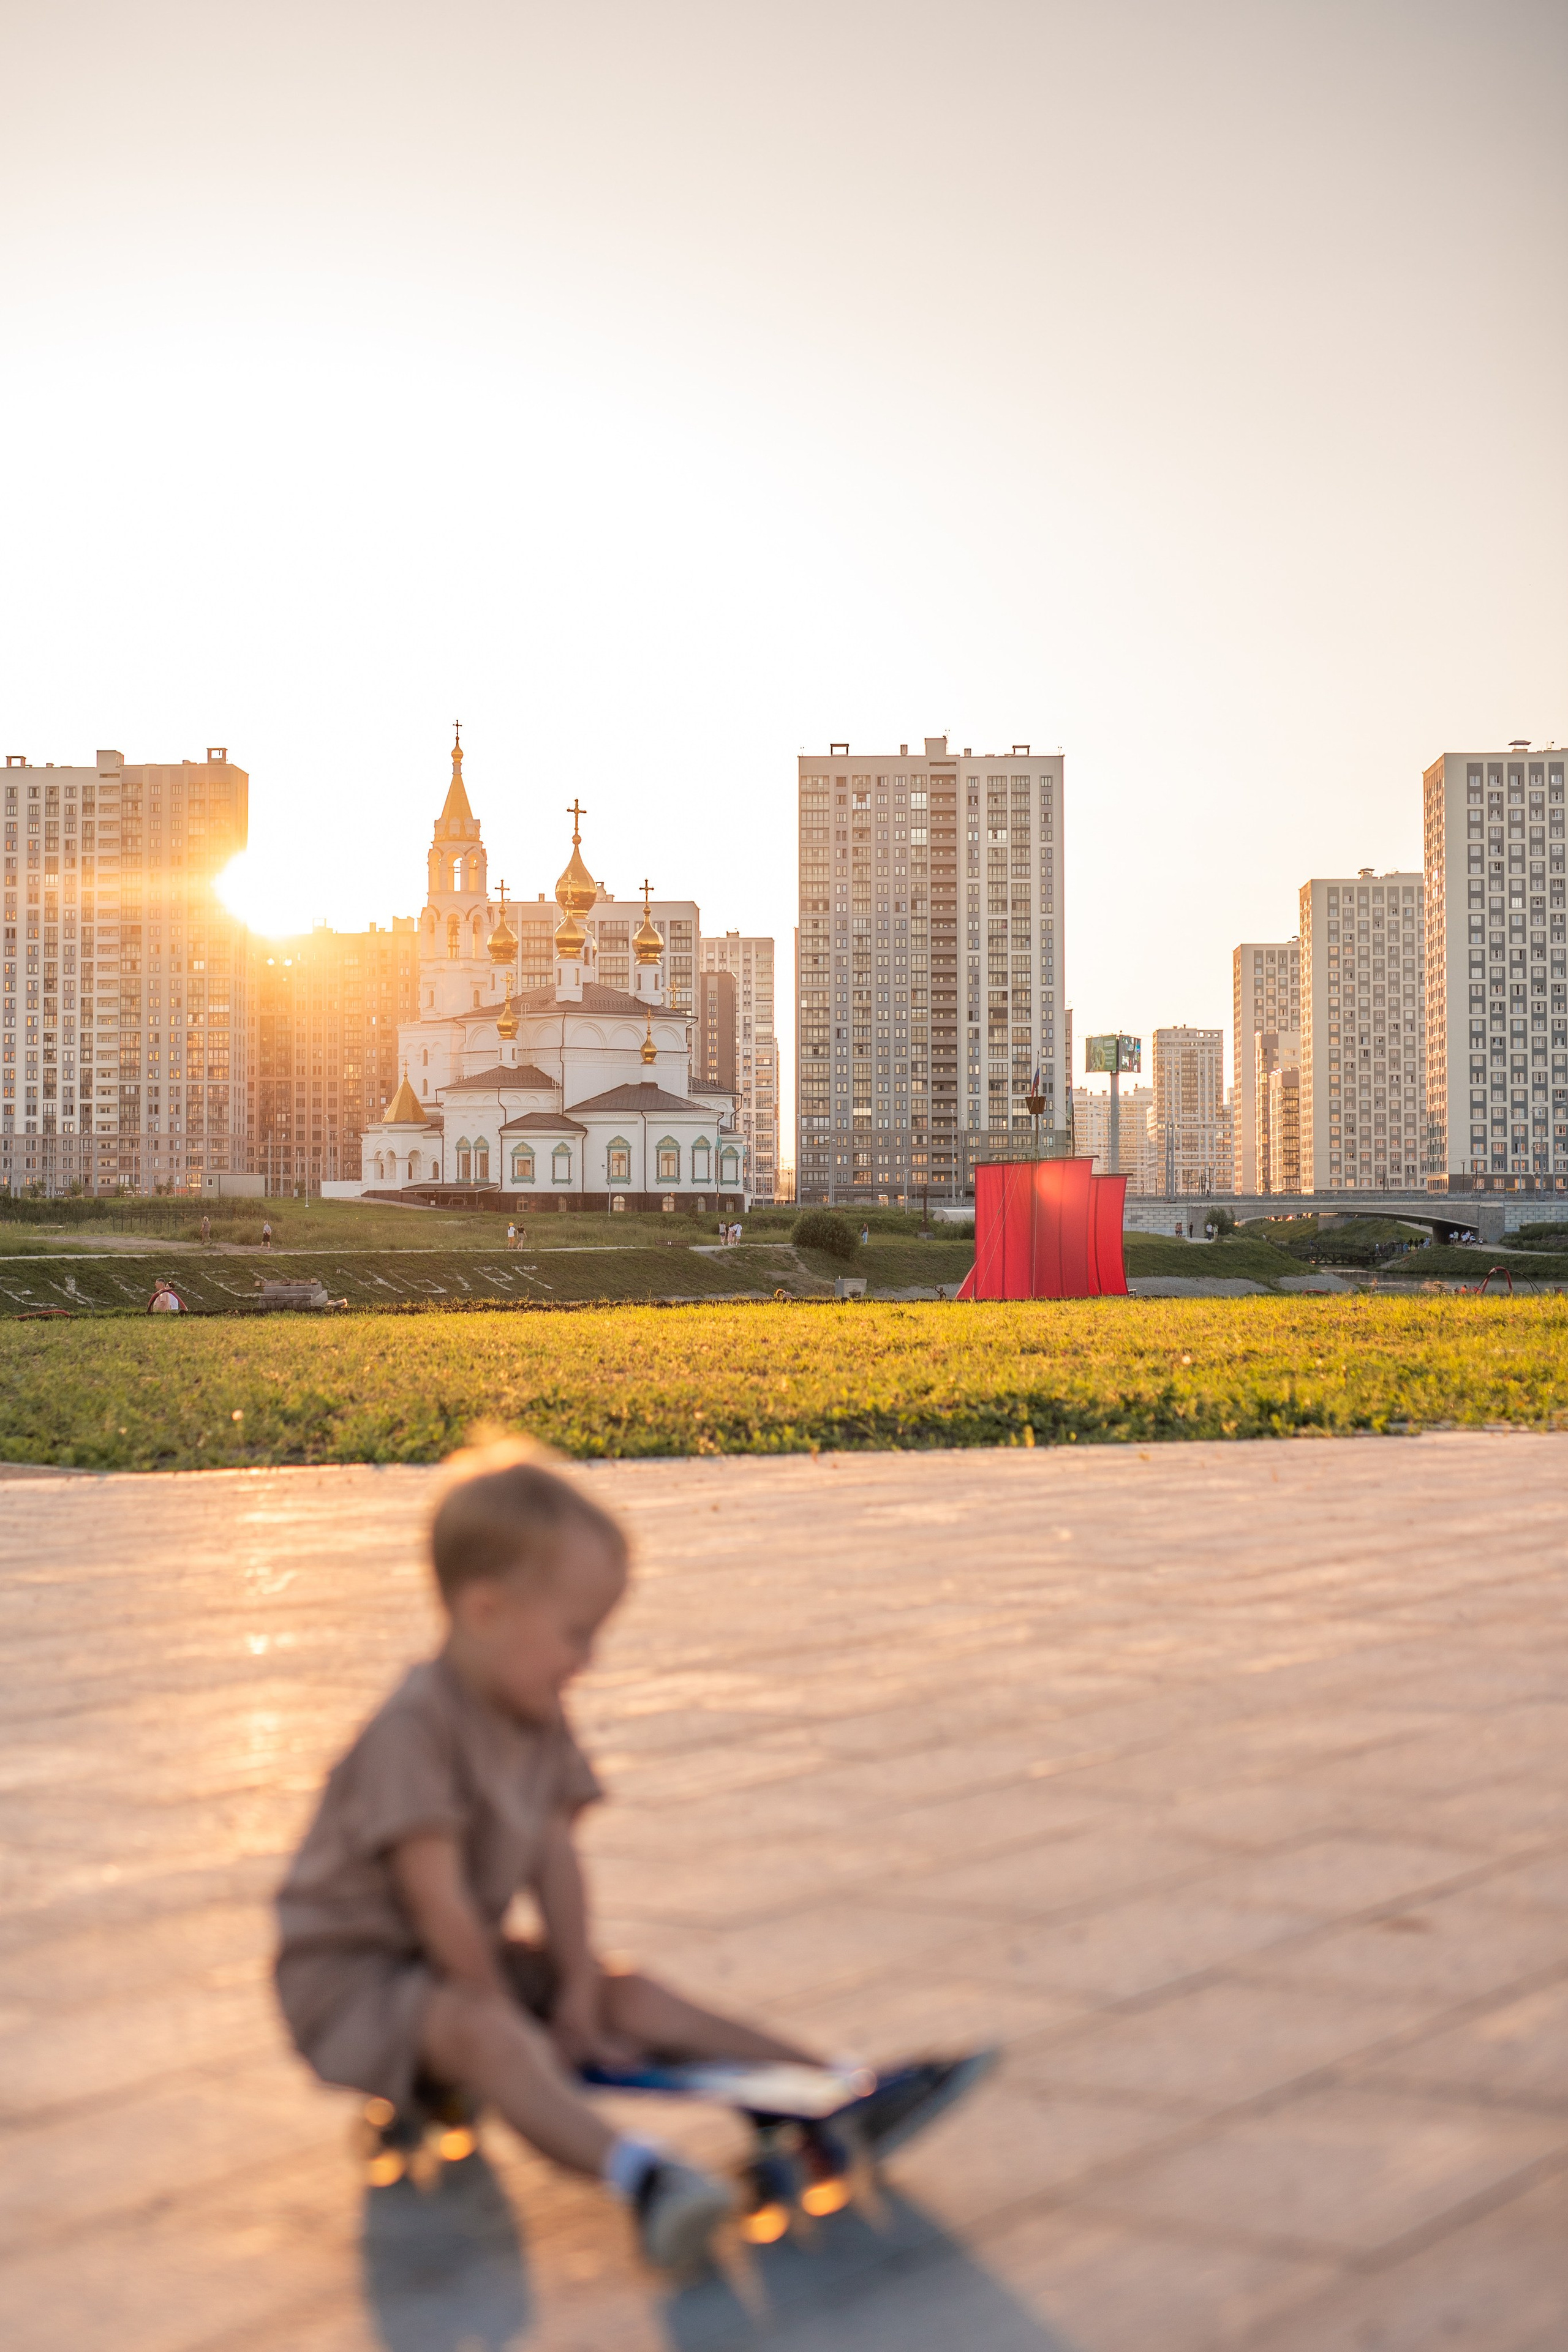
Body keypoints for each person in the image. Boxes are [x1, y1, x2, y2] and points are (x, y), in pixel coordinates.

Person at [274, 1444, 984, 2274]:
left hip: (455, 1958)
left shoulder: (535, 1713)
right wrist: (517, 2023)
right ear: (486, 1611)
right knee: (488, 2033)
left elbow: (556, 1861)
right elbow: (437, 1902)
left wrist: (579, 1994)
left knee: (628, 1995)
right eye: (576, 1634)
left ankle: (836, 2086)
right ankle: (649, 2181)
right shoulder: (413, 1729)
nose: (590, 1659)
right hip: (353, 1982)